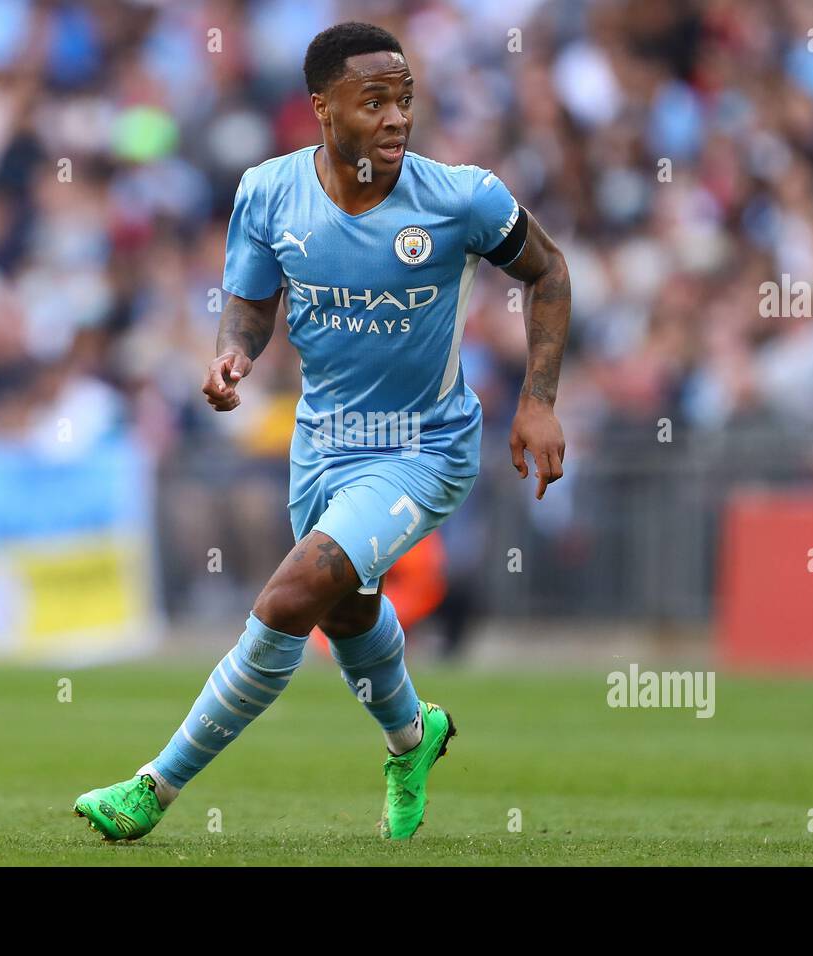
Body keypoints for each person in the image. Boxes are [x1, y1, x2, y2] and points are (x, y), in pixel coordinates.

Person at [74, 21, 570, 841]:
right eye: (373, 100)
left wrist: (539, 398)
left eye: (404, 99)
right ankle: (414, 739)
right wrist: (232, 354)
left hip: (423, 447)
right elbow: (251, 303)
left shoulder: (461, 198)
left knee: (293, 596)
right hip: (321, 445)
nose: (395, 117)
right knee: (348, 612)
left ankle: (153, 789)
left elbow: (547, 269)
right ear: (321, 108)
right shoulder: (268, 192)